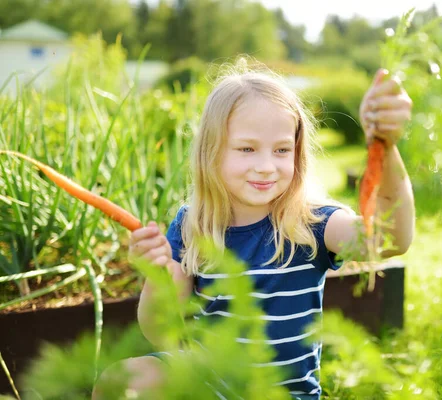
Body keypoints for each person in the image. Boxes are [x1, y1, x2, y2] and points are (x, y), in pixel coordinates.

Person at [92, 63, 414, 400]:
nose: (265, 166)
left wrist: (386, 148)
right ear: (211, 152)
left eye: (281, 150)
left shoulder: (313, 223)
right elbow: (160, 333)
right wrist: (156, 276)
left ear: (297, 152)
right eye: (247, 149)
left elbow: (390, 240)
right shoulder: (192, 225)